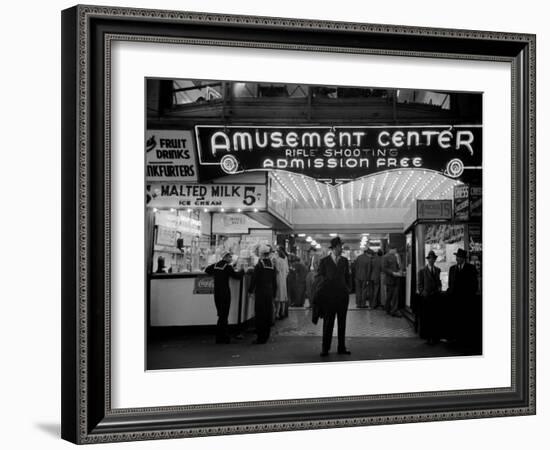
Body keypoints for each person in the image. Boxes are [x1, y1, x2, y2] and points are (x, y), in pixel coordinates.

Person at [315, 236, 351, 356]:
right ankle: (325, 348)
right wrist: (326, 281)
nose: (342, 248)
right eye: (340, 246)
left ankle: (342, 347)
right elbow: (319, 276)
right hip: (329, 298)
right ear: (335, 247)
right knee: (328, 323)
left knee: (342, 323)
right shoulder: (324, 261)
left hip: (342, 297)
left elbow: (347, 277)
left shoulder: (345, 261)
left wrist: (347, 289)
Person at [204, 252, 243, 344]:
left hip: (217, 293)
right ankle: (223, 337)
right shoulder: (228, 267)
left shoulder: (216, 265)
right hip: (225, 293)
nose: (231, 258)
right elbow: (236, 276)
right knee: (224, 315)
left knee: (220, 314)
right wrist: (242, 271)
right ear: (225, 257)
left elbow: (207, 270)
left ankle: (220, 337)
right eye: (230, 257)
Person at [447, 248, 478, 345]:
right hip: (454, 301)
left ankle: (465, 340)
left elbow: (474, 285)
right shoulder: (452, 269)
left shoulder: (471, 268)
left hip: (466, 301)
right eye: (457, 257)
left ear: (463, 258)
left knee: (466, 321)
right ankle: (456, 339)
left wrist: (469, 297)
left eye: (459, 257)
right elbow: (450, 284)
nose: (457, 259)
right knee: (456, 321)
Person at [248, 245, 277, 344]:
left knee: (260, 314)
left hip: (260, 292)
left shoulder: (259, 264)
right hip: (269, 292)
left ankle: (260, 338)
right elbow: (274, 281)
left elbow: (254, 279)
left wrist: (250, 290)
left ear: (261, 254)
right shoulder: (272, 265)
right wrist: (274, 293)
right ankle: (266, 336)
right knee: (267, 314)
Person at [417, 250, 442, 344]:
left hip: (435, 297)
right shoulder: (422, 271)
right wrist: (422, 292)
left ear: (435, 260)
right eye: (430, 259)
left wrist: (439, 288)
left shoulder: (438, 270)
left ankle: (434, 336)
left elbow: (438, 282)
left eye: (433, 259)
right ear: (428, 260)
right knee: (426, 317)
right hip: (426, 297)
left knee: (434, 317)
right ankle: (427, 337)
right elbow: (419, 284)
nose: (432, 260)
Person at [382, 245, 403, 317]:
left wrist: (398, 260)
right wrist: (393, 273)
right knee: (389, 296)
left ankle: (394, 310)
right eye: (395, 249)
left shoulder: (397, 256)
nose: (396, 250)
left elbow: (400, 266)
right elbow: (384, 268)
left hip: (397, 279)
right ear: (391, 249)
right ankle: (388, 308)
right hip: (389, 279)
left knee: (395, 296)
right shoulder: (385, 257)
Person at [273, 246, 290, 319]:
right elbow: (287, 271)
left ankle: (277, 313)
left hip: (278, 279)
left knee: (278, 297)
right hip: (284, 280)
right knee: (283, 297)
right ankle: (282, 312)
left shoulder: (277, 260)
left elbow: (276, 270)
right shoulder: (284, 260)